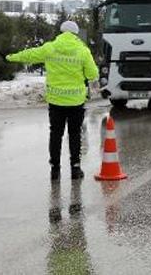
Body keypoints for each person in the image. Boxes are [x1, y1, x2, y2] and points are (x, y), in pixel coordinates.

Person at [7, 20, 99, 181]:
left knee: (56, 134)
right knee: (75, 134)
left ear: (61, 32)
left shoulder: (50, 48)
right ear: (76, 34)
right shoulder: (83, 51)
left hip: (56, 101)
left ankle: (55, 169)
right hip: (76, 101)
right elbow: (93, 74)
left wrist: (10, 57)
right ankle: (75, 168)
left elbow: (30, 55)